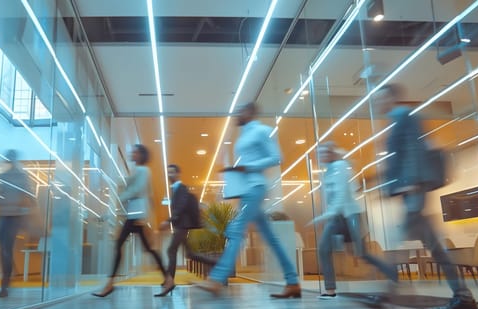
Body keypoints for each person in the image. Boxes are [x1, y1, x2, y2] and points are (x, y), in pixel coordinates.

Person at [372, 84, 477, 309]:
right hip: (411, 189)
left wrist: (410, 181)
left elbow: (413, 150)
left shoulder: (405, 117)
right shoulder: (394, 121)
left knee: (401, 243)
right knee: (435, 247)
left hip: (415, 189)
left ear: (391, 98)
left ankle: (387, 292)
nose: (377, 103)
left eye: (380, 98)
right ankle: (463, 296)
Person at [195, 102, 301, 298]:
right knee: (270, 238)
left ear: (250, 112)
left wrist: (248, 167)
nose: (237, 115)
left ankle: (216, 280)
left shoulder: (262, 131)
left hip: (256, 187)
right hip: (247, 189)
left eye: (240, 111)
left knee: (236, 231)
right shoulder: (243, 135)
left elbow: (277, 157)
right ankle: (293, 282)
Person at [310, 141, 398, 299]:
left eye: (324, 152)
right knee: (324, 249)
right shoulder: (328, 171)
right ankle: (330, 290)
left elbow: (341, 195)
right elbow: (329, 197)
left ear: (331, 153)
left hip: (350, 215)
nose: (320, 156)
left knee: (360, 253)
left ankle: (392, 272)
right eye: (319, 153)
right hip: (337, 217)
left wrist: (324, 216)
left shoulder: (340, 167)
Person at [93, 144, 175, 298]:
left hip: (137, 216)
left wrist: (121, 197)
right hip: (135, 214)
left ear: (141, 155)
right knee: (147, 249)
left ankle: (109, 285)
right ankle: (168, 279)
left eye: (135, 152)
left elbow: (138, 190)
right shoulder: (139, 170)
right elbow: (146, 194)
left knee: (125, 246)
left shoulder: (143, 170)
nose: (132, 153)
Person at [159, 164, 212, 282]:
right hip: (180, 225)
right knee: (190, 254)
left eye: (172, 172)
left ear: (178, 174)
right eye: (168, 172)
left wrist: (168, 221)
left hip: (182, 225)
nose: (169, 174)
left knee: (171, 250)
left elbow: (181, 207)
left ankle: (169, 281)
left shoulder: (182, 188)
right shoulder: (175, 189)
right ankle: (218, 264)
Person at [0, 150, 33, 298]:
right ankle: (8, 277)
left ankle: (4, 284)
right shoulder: (2, 176)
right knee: (4, 249)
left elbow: (29, 195)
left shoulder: (21, 176)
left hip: (14, 216)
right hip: (4, 215)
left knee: (6, 249)